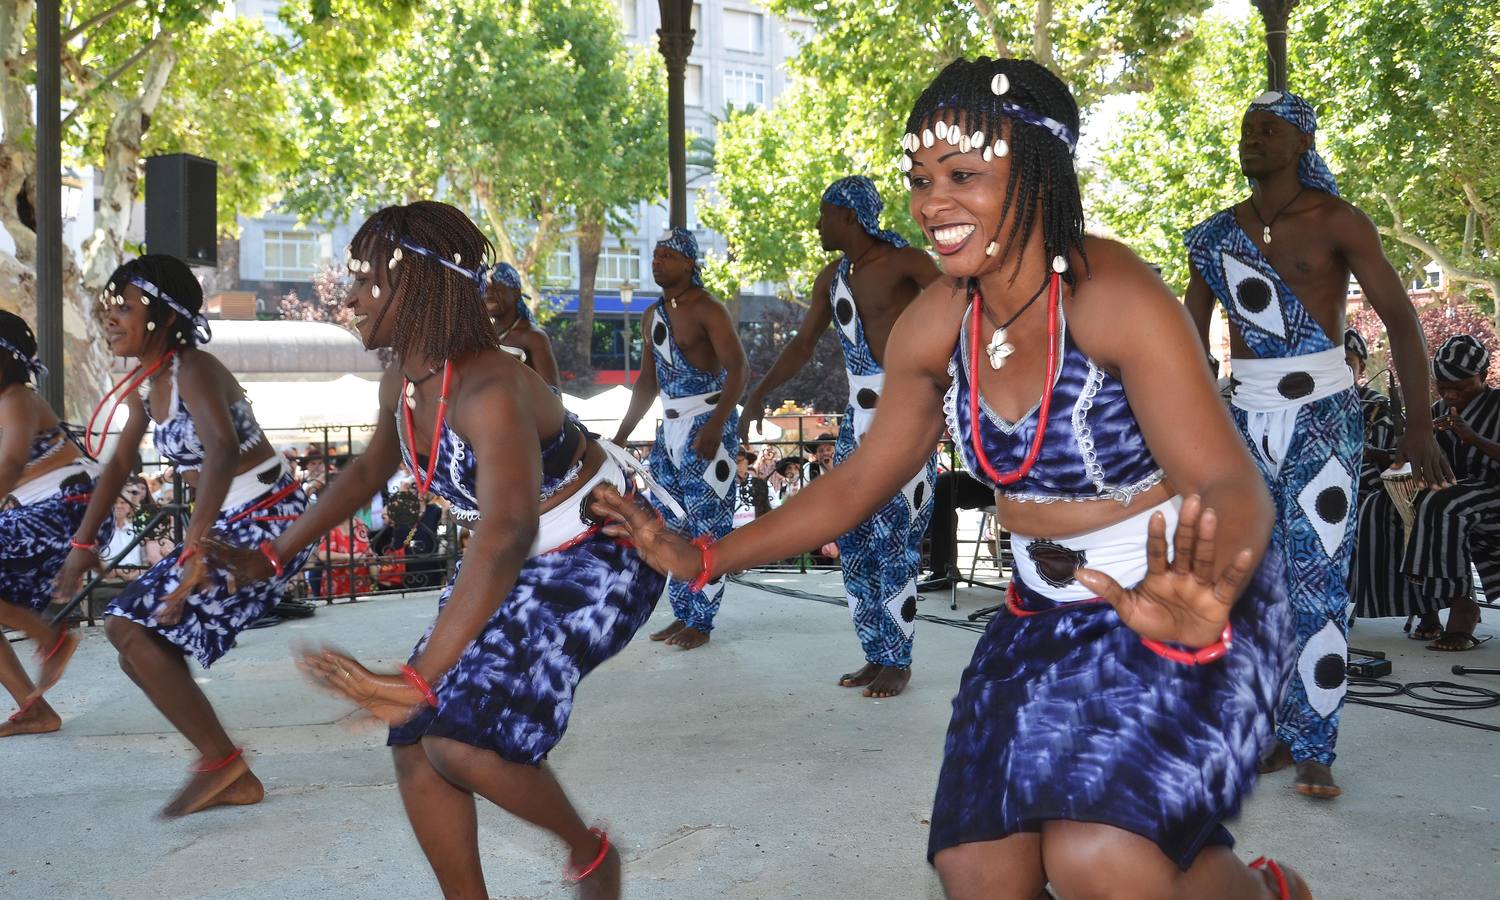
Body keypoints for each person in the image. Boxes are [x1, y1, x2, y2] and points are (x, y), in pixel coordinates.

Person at [594, 58, 1308, 899]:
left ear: (1039, 174)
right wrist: (706, 557)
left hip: (1188, 603)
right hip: (1040, 612)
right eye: (921, 177)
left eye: (963, 174)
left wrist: (1211, 588)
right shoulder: (938, 321)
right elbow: (861, 480)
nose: (932, 201)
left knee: (1100, 861)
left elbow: (1231, 484)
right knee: (975, 871)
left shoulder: (1112, 294)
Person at [212, 201, 667, 899]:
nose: (352, 297)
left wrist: (420, 674)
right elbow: (368, 471)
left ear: (420, 285)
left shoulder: (489, 388)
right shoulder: (407, 377)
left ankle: (591, 856)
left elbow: (507, 531)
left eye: (369, 283)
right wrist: (274, 555)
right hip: (516, 552)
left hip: (601, 550)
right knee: (415, 742)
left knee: (461, 738)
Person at [1183, 89, 1449, 800]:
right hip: (1244, 417)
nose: (1253, 139)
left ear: (1303, 143)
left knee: (1318, 582)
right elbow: (1186, 341)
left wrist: (1417, 422)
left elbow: (1400, 321)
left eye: (1269, 130)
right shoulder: (1213, 236)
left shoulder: (1338, 221)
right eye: (1246, 128)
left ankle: (1314, 745)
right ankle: (1263, 730)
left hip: (1324, 416)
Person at [52, 254, 313, 816]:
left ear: (164, 316)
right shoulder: (149, 387)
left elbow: (220, 450)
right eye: (109, 308)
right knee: (132, 638)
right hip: (230, 519)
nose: (111, 318)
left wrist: (195, 546)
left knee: (128, 626)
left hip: (272, 515)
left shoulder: (193, 368)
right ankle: (225, 767)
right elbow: (120, 464)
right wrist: (81, 547)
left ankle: (224, 765)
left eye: (124, 306)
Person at [741, 175, 943, 697]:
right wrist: (761, 388)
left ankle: (899, 659)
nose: (817, 223)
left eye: (825, 213)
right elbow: (803, 343)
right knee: (852, 537)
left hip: (908, 413)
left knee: (895, 538)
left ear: (850, 216)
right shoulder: (833, 277)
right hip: (857, 422)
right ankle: (876, 652)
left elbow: (964, 311)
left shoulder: (907, 263)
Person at [612, 227, 745, 651]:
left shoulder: (709, 309)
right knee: (670, 525)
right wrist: (621, 436)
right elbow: (647, 382)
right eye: (655, 255)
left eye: (667, 256)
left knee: (708, 529)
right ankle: (684, 613)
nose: (657, 262)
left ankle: (701, 622)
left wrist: (717, 425)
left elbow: (739, 371)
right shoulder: (653, 315)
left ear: (690, 263)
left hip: (708, 423)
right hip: (667, 430)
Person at [0, 311, 113, 737]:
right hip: (50, 515)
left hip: (71, 509)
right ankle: (35, 709)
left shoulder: (17, 399)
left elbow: (9, 466)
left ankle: (49, 637)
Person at [1352, 335, 1500, 647]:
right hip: (1454, 493)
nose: (1450, 394)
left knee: (1442, 505)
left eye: (1459, 387)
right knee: (1382, 505)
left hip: (1491, 493)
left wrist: (1471, 436)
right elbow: (1416, 461)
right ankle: (1425, 608)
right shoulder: (1436, 410)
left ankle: (1464, 610)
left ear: (1483, 376)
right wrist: (1382, 454)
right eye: (1442, 386)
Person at [918, 468, 999, 592]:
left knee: (944, 483)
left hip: (1026, 480)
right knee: (944, 484)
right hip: (993, 477)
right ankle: (943, 570)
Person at [484, 262, 560, 387]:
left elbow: (553, 394)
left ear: (516, 293)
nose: (488, 295)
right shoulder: (483, 334)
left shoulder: (534, 337)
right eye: (485, 290)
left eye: (497, 289)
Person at [1344, 329, 1399, 499]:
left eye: (1347, 362)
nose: (1338, 369)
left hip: (1369, 489)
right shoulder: (1314, 405)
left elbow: (1372, 460)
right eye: (1331, 363)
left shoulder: (1378, 406)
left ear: (1361, 368)